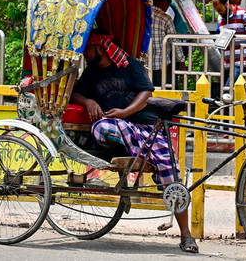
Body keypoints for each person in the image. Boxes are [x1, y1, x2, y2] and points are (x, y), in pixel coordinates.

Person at [71, 32, 197, 254]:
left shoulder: (129, 64)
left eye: (89, 49)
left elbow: (146, 92)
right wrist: (89, 101)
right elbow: (76, 94)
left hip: (148, 127)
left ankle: (186, 235)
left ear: (100, 47)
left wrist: (125, 112)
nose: (86, 54)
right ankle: (129, 149)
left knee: (171, 175)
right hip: (120, 129)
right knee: (100, 127)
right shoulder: (91, 73)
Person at [212, 0, 246, 88]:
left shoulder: (243, 13)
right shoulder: (221, 18)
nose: (220, 13)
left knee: (228, 90)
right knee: (235, 93)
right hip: (227, 63)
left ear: (227, 3)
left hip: (241, 62)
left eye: (220, 9)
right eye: (217, 11)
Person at [150, 0, 186, 88]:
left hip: (144, 65)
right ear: (165, 3)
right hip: (161, 64)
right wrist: (182, 62)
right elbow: (174, 41)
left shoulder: (142, 14)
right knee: (164, 92)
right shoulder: (166, 18)